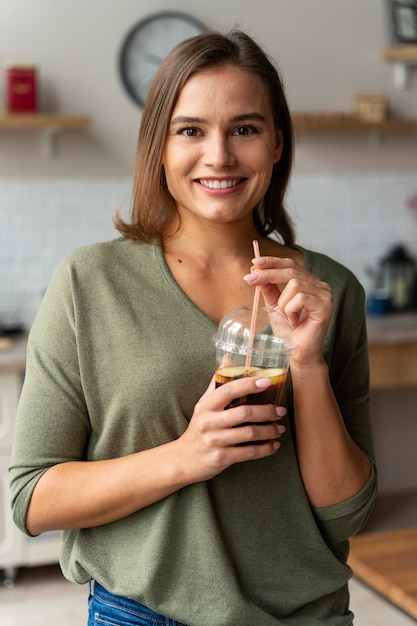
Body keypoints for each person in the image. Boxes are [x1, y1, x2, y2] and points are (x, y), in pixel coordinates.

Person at [9, 30, 377, 625]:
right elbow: (31, 500)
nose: (220, 156)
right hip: (141, 615)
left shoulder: (328, 296)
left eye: (245, 129)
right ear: (159, 146)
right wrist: (189, 454)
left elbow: (344, 514)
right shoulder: (89, 282)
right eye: (190, 130)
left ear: (277, 142)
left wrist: (307, 366)